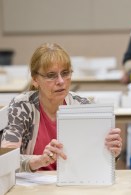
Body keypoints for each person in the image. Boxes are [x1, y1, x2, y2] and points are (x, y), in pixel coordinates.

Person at [0, 43, 122, 172]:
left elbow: (97, 163)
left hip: (73, 185)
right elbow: (6, 158)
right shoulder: (21, 107)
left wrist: (112, 153)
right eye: (51, 75)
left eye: (65, 73)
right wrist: (38, 161)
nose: (61, 81)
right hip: (31, 188)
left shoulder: (82, 107)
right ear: (35, 80)